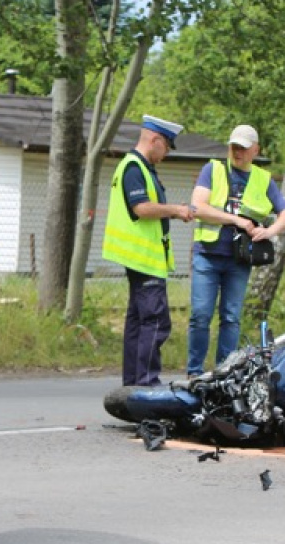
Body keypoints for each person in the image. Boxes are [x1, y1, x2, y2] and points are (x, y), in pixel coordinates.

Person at [186, 125, 285, 376]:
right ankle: (195, 372)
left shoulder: (262, 178)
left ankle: (225, 373)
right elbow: (197, 207)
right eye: (234, 147)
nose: (237, 152)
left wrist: (269, 232)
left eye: (244, 148)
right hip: (208, 255)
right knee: (200, 315)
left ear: (255, 150)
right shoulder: (212, 169)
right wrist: (235, 220)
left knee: (231, 317)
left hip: (239, 259)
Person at [102, 115, 194, 386]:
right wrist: (176, 210)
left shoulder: (139, 167)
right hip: (143, 258)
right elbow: (141, 208)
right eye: (166, 147)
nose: (165, 154)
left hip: (142, 258)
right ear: (155, 140)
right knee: (155, 322)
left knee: (137, 323)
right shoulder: (134, 167)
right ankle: (147, 384)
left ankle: (132, 385)